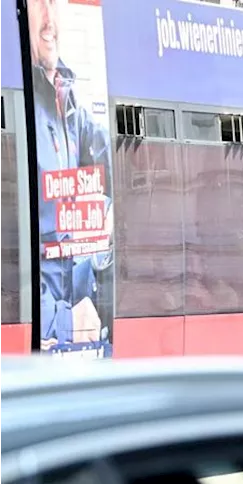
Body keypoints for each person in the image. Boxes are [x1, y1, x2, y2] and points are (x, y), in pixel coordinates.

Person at [31, 0, 113, 353]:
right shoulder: (24, 103)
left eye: (53, 1)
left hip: (81, 324)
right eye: (38, 3)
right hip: (48, 334)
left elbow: (114, 170)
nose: (49, 18)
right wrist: (64, 320)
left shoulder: (67, 95)